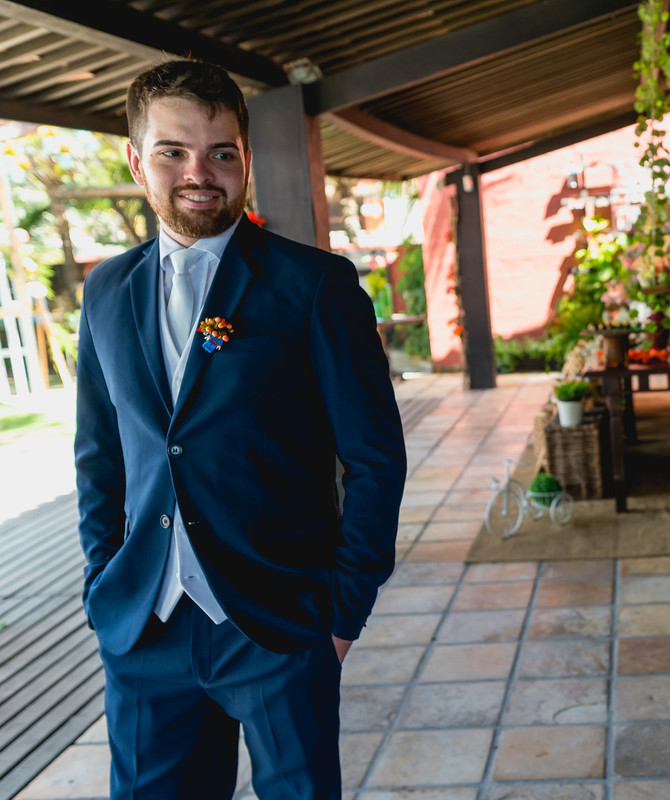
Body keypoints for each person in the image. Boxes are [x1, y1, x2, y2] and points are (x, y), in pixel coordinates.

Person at [74, 59, 407, 799]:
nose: (201, 172)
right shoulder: (103, 291)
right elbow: (99, 460)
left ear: (246, 159)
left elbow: (375, 458)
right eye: (174, 151)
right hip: (144, 632)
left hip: (279, 629)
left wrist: (343, 611)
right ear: (137, 159)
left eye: (222, 152)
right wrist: (103, 585)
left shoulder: (314, 285)